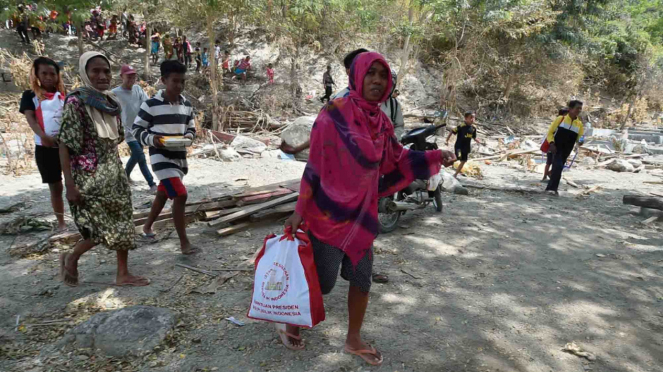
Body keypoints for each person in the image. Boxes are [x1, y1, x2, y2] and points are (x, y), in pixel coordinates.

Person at [281, 52, 455, 364]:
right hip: (328, 214)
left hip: (361, 216)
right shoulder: (332, 115)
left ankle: (353, 338)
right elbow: (314, 167)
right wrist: (299, 210)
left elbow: (397, 158)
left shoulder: (382, 122)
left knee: (362, 277)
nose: (377, 80)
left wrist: (434, 157)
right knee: (323, 281)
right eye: (371, 73)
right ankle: (291, 322)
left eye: (382, 75)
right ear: (358, 76)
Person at [57, 51, 148, 287]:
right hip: (88, 177)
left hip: (114, 174)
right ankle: (73, 256)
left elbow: (115, 139)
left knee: (123, 221)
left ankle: (122, 274)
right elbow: (65, 145)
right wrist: (69, 184)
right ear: (85, 73)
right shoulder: (76, 102)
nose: (102, 75)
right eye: (95, 70)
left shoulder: (111, 103)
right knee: (98, 228)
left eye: (106, 70)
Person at [133, 60, 200, 255]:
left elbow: (191, 126)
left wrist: (189, 136)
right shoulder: (151, 104)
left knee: (163, 193)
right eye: (175, 81)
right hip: (160, 157)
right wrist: (153, 139)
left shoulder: (186, 104)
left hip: (179, 155)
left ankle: (146, 227)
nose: (179, 86)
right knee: (180, 195)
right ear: (163, 80)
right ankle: (184, 243)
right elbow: (137, 129)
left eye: (182, 82)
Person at [19, 57, 67, 231]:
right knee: (56, 187)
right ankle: (61, 222)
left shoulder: (63, 95)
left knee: (74, 184)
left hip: (67, 147)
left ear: (57, 76)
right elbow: (31, 119)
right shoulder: (30, 96)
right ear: (37, 75)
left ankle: (80, 218)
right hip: (45, 148)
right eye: (44, 73)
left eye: (52, 74)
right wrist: (43, 136)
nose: (48, 77)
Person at [111, 65, 156, 193]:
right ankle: (152, 184)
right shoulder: (115, 93)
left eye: (133, 76)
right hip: (128, 131)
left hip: (141, 130)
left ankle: (125, 175)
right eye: (128, 76)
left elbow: (147, 105)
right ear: (121, 77)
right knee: (140, 156)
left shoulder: (138, 89)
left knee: (136, 156)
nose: (132, 78)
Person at [545, 100, 584, 195]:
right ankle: (553, 189)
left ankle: (551, 188)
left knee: (559, 168)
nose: (579, 110)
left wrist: (581, 141)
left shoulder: (579, 124)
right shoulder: (560, 119)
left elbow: (580, 137)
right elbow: (550, 133)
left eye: (580, 109)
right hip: (556, 148)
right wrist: (551, 143)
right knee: (557, 166)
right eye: (577, 108)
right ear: (570, 109)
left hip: (567, 150)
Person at [446, 111, 482, 179]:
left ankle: (455, 174)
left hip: (466, 148)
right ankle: (447, 161)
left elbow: (473, 137)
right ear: (466, 118)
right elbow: (452, 131)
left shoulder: (473, 128)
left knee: (463, 161)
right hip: (459, 146)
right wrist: (447, 140)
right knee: (458, 158)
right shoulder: (461, 126)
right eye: (470, 117)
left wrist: (476, 140)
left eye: (474, 118)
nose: (472, 119)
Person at [542, 107, 569, 181]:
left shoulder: (559, 121)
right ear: (565, 114)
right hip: (554, 145)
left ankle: (546, 175)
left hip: (552, 145)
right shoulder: (561, 120)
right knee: (553, 163)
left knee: (550, 162)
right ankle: (547, 175)